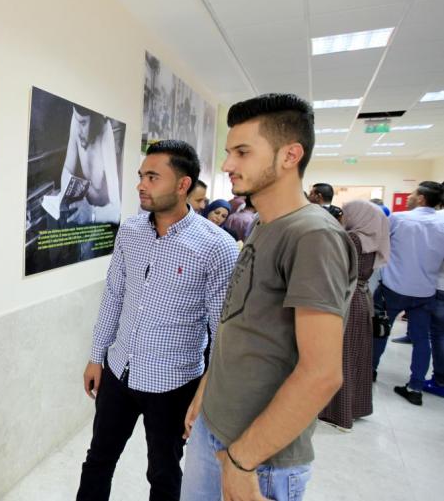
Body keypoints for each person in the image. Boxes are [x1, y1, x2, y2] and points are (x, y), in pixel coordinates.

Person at [180, 93, 357, 501]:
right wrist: (208, 391)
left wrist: (242, 461)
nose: (227, 165)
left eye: (242, 152)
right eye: (228, 152)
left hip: (260, 458)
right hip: (218, 430)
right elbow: (243, 324)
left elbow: (322, 374)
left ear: (289, 155)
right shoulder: (264, 223)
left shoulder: (312, 236)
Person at [78, 140, 238, 501]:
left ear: (183, 185)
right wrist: (95, 355)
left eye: (152, 176)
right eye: (141, 176)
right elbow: (114, 296)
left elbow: (223, 330)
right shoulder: (131, 232)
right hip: (120, 371)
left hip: (173, 383)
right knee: (98, 459)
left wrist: (206, 393)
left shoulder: (217, 246)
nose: (141, 185)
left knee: (163, 473)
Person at [319, 200, 390, 431]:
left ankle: (337, 412)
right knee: (358, 356)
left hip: (347, 299)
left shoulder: (351, 239)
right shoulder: (372, 239)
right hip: (361, 299)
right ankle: (355, 406)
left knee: (342, 356)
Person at [373, 181, 444, 405]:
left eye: (413, 193)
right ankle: (415, 387)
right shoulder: (442, 222)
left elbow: (381, 246)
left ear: (421, 198)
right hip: (425, 291)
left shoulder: (399, 218)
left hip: (393, 288)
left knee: (379, 330)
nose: (409, 196)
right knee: (422, 339)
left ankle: (370, 371)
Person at [42, 106, 120, 224]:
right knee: (51, 220)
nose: (78, 131)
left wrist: (92, 214)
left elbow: (117, 211)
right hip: (85, 204)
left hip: (100, 214)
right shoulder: (77, 120)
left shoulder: (105, 132)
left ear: (95, 122)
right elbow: (68, 169)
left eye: (83, 123)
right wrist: (63, 199)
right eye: (77, 121)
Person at [427, 196, 444, 398]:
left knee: (438, 335)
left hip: (436, 284)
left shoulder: (437, 220)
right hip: (433, 284)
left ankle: (440, 378)